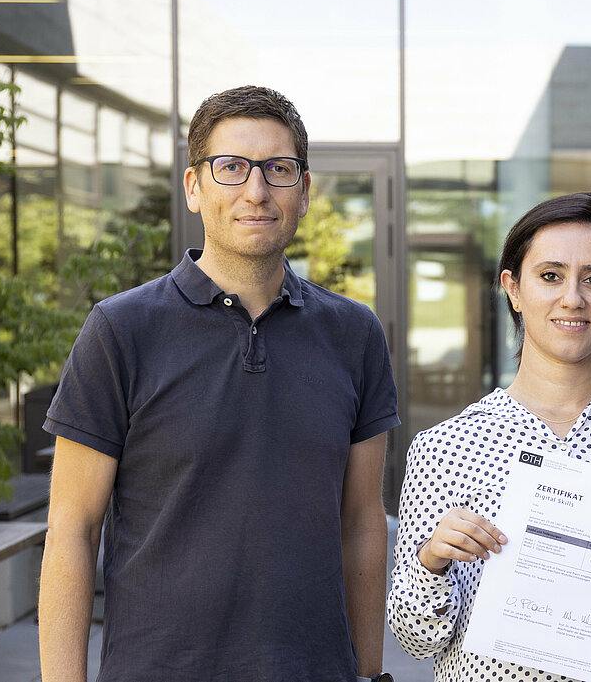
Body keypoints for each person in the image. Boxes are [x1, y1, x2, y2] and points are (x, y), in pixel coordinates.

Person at [38, 85, 398, 682]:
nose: (255, 191)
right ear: (194, 187)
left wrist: (369, 674)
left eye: (278, 170)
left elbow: (361, 523)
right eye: (231, 168)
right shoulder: (121, 330)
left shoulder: (354, 335)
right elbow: (72, 532)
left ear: (303, 192)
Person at [389, 192, 591, 681]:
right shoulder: (444, 447)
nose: (573, 298)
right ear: (513, 289)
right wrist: (432, 561)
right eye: (550, 276)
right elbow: (414, 637)